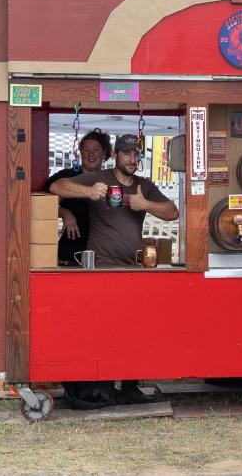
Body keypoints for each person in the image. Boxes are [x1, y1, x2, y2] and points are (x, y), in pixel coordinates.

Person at [50, 132, 179, 404]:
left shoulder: (144, 185)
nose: (132, 159)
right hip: (103, 268)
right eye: (127, 153)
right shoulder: (101, 178)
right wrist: (88, 192)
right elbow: (56, 187)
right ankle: (104, 386)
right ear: (116, 155)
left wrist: (146, 205)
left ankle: (131, 385)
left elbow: (173, 212)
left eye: (136, 155)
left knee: (134, 330)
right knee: (104, 329)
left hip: (135, 267)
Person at [43, 129, 111, 266]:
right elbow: (42, 206)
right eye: (86, 149)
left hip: (105, 255)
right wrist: (65, 213)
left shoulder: (112, 179)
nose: (90, 154)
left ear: (105, 152)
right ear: (80, 151)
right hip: (70, 253)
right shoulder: (66, 176)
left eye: (96, 149)